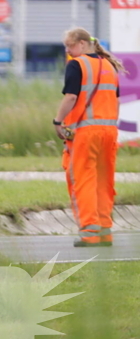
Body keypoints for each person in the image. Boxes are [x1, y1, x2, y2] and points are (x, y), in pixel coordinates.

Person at [54, 27, 122, 248]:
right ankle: (104, 232)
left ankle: (90, 233)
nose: (68, 50)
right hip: (109, 132)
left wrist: (58, 121)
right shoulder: (109, 65)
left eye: (70, 45)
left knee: (82, 181)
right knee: (104, 182)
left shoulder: (77, 64)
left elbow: (71, 97)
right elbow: (116, 100)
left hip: (85, 133)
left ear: (82, 44)